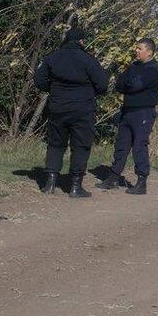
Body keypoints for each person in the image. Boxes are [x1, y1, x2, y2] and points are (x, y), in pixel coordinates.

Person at [34, 26, 108, 198]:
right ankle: (75, 186)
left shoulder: (52, 57)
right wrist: (89, 93)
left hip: (58, 106)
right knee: (81, 145)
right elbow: (103, 85)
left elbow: (38, 80)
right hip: (83, 108)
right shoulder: (88, 60)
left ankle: (50, 183)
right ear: (81, 41)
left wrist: (53, 90)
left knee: (55, 143)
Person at [96, 38, 158, 195]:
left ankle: (141, 182)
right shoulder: (133, 66)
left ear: (149, 52)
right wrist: (128, 84)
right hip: (127, 111)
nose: (136, 51)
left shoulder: (154, 69)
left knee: (139, 145)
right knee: (121, 145)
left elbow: (135, 86)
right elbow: (119, 84)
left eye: (140, 48)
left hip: (143, 112)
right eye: (136, 48)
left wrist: (129, 84)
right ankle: (113, 178)